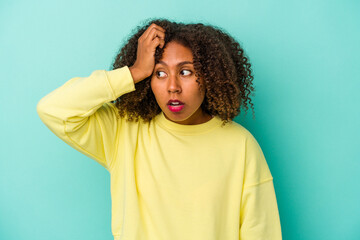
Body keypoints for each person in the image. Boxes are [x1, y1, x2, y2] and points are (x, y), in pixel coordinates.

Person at [37, 18, 282, 240]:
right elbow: (53, 109)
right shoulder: (124, 132)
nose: (172, 86)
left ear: (210, 76)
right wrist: (134, 72)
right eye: (159, 73)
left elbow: (261, 233)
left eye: (185, 72)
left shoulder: (240, 145)